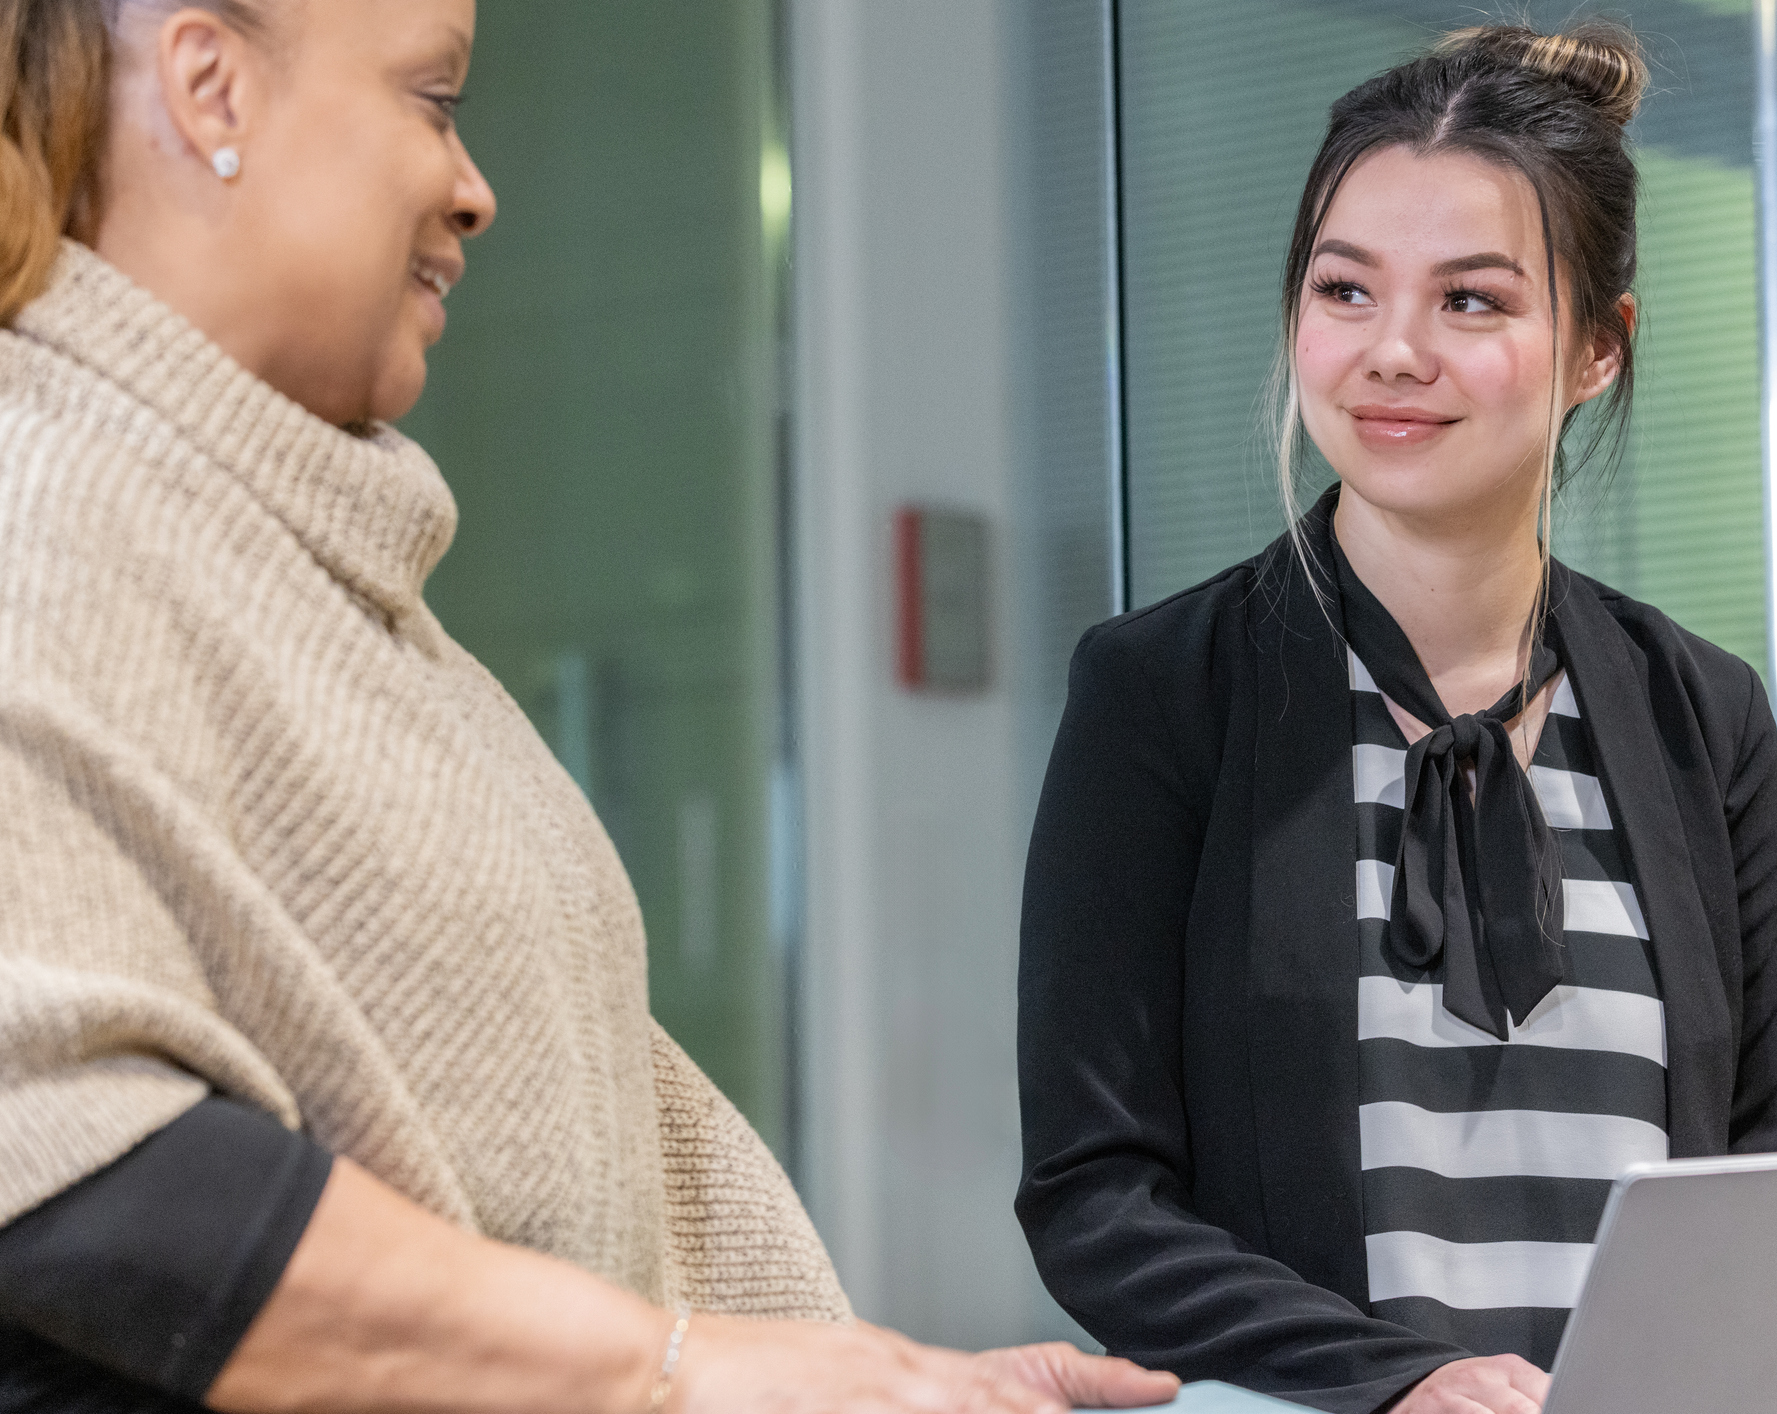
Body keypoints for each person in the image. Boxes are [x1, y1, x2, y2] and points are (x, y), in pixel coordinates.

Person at [0, 4, 1180, 1413]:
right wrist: (678, 1371)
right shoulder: (44, 511)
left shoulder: (315, 584)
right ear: (210, 88)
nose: (473, 187)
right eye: (432, 99)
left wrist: (898, 1381)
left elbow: (591, 1154)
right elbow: (69, 1160)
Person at [1016, 22, 1777, 1414]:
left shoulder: (1707, 716)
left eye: (1472, 302)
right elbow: (1097, 1197)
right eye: (1345, 290)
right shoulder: (1161, 693)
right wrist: (1404, 1380)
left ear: (1596, 351)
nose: (1393, 352)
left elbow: (1770, 1180)